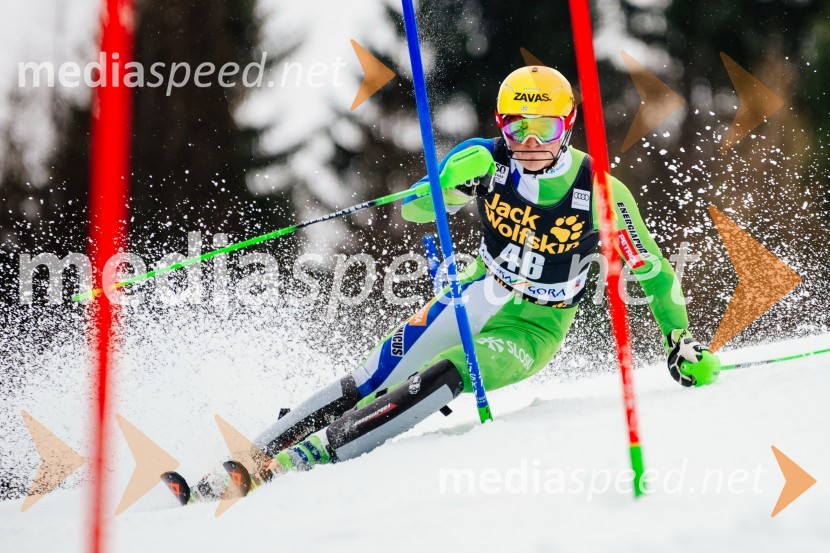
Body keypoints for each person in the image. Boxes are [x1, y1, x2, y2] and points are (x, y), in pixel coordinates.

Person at [192, 66, 721, 498]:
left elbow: (650, 269)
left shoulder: (600, 192)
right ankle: (249, 457)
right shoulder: (483, 159)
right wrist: (449, 184)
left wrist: (680, 338)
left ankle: (301, 461)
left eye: (547, 129)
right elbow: (416, 208)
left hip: (534, 328)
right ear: (501, 124)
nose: (531, 143)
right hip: (476, 291)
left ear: (569, 124)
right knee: (375, 372)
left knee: (448, 371)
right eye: (517, 129)